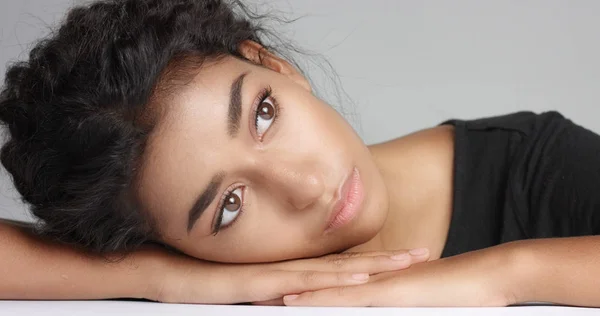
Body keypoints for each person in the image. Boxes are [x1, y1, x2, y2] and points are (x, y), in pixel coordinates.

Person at [1, 0, 599, 307]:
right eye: (228, 206)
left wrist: (507, 275)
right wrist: (160, 279)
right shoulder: (190, 269)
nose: (307, 186)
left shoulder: (534, 163)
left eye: (264, 113)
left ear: (276, 66)